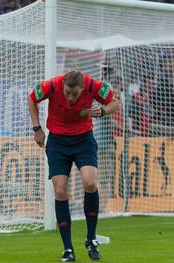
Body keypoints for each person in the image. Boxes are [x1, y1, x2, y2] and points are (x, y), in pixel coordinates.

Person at [28, 70, 119, 262]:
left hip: (83, 140)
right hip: (58, 143)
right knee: (60, 192)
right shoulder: (50, 85)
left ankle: (91, 239)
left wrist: (103, 111)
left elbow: (114, 102)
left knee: (90, 183)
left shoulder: (94, 86)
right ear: (63, 86)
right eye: (67, 93)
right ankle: (68, 249)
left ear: (83, 88)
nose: (70, 97)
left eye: (75, 94)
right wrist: (37, 128)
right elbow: (31, 98)